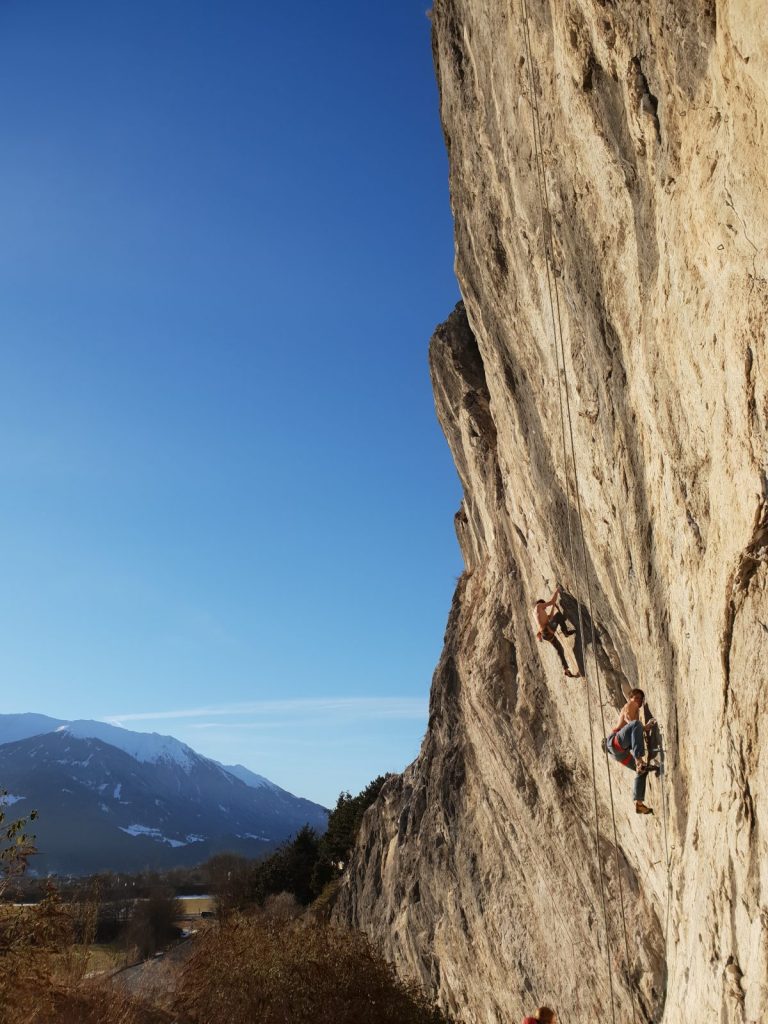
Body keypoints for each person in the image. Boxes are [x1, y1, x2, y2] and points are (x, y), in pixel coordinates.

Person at [605, 688, 657, 814]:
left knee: (642, 770)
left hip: (620, 752)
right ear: (631, 698)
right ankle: (639, 760)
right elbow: (629, 719)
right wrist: (641, 726)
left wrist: (642, 727)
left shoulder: (636, 710)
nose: (638, 700)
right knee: (636, 724)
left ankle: (639, 804)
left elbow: (634, 729)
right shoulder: (630, 704)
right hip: (615, 742)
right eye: (636, 697)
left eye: (641, 698)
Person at [533, 588, 578, 677]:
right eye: (544, 607)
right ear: (541, 603)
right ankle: (565, 632)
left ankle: (566, 669)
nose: (545, 608)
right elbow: (551, 601)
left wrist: (554, 607)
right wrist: (556, 592)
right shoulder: (539, 606)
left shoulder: (536, 612)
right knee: (558, 616)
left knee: (559, 649)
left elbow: (549, 617)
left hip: (545, 634)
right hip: (547, 630)